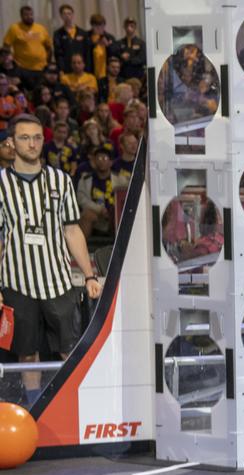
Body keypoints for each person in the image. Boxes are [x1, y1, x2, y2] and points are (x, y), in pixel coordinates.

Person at [0, 114, 99, 408]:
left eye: (37, 137)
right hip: (16, 283)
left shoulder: (61, 180)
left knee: (69, 349)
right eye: (24, 138)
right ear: (10, 143)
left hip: (58, 281)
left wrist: (90, 275)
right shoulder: (2, 184)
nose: (32, 144)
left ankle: (72, 407)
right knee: (27, 353)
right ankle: (33, 411)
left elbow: (72, 230)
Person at [4, 6, 52, 85]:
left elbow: (49, 47)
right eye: (26, 15)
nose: (29, 17)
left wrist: (47, 63)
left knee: (39, 92)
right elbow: (6, 46)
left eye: (31, 14)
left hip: (41, 68)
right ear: (21, 16)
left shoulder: (41, 28)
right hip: (22, 68)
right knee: (24, 94)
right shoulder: (14, 28)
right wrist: (10, 63)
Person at [76, 145, 114, 238]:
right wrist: (99, 209)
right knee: (87, 214)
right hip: (96, 216)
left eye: (105, 158)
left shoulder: (120, 180)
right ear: (94, 161)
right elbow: (81, 198)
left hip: (114, 216)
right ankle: (81, 249)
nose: (102, 161)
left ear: (110, 162)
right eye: (99, 158)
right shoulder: (85, 179)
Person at [108, 18, 145, 84]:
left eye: (131, 26)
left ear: (135, 27)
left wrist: (128, 60)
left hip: (137, 75)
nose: (129, 28)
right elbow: (114, 55)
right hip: (122, 76)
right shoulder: (119, 43)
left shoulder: (141, 43)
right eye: (127, 26)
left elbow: (142, 59)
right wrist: (121, 56)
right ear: (124, 27)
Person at [52, 4, 86, 74]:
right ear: (61, 16)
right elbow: (58, 53)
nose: (67, 16)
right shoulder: (58, 34)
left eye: (69, 13)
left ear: (73, 15)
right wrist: (61, 69)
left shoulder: (82, 33)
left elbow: (86, 52)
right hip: (66, 68)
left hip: (81, 69)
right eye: (64, 14)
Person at [86, 14, 113, 80]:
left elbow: (115, 53)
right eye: (96, 25)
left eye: (101, 25)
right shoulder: (86, 36)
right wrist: (95, 43)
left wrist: (108, 46)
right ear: (92, 26)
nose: (99, 28)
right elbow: (84, 51)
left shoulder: (109, 37)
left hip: (106, 72)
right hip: (90, 71)